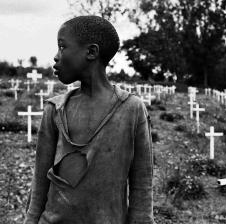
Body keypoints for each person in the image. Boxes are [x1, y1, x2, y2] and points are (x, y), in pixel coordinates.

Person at [24, 15, 154, 224]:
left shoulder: (131, 110)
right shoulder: (55, 110)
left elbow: (142, 186)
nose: (56, 57)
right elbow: (39, 182)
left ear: (91, 52)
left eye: (62, 47)